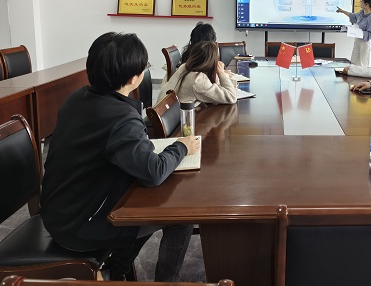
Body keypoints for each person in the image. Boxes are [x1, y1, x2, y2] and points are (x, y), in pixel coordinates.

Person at [41, 32, 201, 280]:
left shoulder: (77, 97)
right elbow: (154, 172)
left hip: (59, 211)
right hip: (82, 225)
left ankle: (117, 269)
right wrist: (181, 147)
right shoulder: (121, 117)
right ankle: (164, 282)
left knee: (146, 205)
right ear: (134, 78)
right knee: (179, 217)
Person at [158, 40, 237, 106]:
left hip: (164, 112)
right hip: (180, 118)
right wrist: (221, 73)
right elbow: (231, 97)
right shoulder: (198, 80)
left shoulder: (185, 66)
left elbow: (212, 87)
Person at [336, 0, 371, 67]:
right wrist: (342, 11)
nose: (360, 3)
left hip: (366, 44)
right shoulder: (361, 13)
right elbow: (353, 16)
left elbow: (370, 34)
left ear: (367, 4)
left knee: (363, 66)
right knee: (353, 64)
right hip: (358, 41)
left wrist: (359, 32)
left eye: (361, 1)